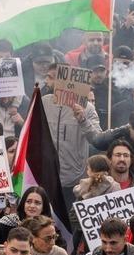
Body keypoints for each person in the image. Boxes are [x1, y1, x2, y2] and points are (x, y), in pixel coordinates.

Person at [42, 79, 101, 207]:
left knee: (70, 222)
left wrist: (83, 120)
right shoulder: (44, 102)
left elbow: (97, 139)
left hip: (75, 179)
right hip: (47, 177)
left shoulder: (88, 108)